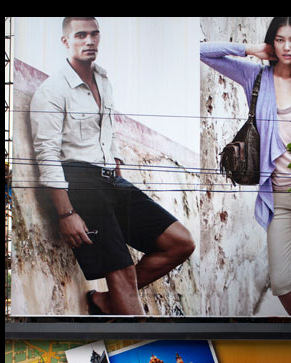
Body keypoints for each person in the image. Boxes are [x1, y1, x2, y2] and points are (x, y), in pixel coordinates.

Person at [30, 17, 195, 316]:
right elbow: (47, 155)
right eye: (81, 35)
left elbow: (109, 131)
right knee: (120, 272)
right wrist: (66, 213)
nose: (90, 41)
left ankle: (106, 302)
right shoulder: (52, 91)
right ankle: (130, 325)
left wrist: (116, 167)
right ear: (66, 42)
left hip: (111, 182)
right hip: (80, 184)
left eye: (95, 34)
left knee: (180, 242)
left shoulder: (103, 81)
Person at [200, 17, 291, 316]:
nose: (286, 47)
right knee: (282, 283)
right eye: (279, 39)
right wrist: (251, 49)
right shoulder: (256, 77)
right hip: (278, 197)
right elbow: (203, 52)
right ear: (271, 41)